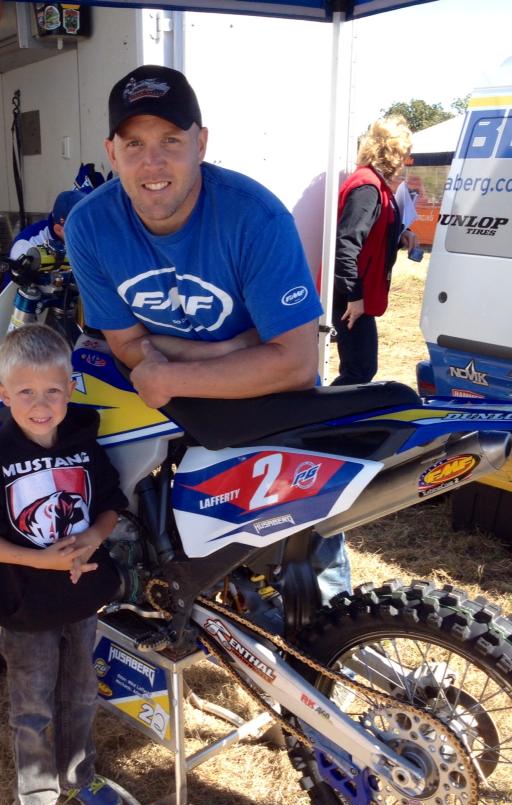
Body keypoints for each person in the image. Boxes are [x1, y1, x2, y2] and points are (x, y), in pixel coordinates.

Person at [65, 64, 349, 602]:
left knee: (310, 551)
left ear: (201, 143)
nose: (152, 162)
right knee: (184, 548)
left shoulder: (255, 217)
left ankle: (338, 626)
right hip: (182, 406)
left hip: (271, 403)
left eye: (171, 140)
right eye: (134, 144)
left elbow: (294, 364)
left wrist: (170, 373)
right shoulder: (90, 225)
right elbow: (125, 344)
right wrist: (235, 349)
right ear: (111, 153)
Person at [0, 325, 127, 805]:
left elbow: (110, 503)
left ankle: (79, 774)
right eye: (25, 392)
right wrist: (38, 559)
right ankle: (36, 799)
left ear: (70, 389)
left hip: (80, 599)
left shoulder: (83, 443)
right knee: (34, 706)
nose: (41, 405)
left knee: (81, 692)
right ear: (3, 394)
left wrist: (93, 537)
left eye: (52, 390)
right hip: (25, 607)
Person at [331, 115, 419, 385]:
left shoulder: (375, 184)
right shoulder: (368, 187)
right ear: (392, 151)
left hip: (358, 291)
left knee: (360, 369)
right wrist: (354, 297)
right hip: (352, 295)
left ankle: (328, 411)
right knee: (359, 371)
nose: (406, 160)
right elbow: (346, 244)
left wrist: (401, 235)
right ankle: (318, 412)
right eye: (405, 153)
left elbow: (372, 234)